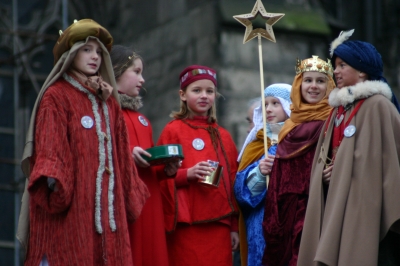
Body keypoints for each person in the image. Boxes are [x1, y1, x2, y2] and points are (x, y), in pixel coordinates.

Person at [17, 19, 149, 266]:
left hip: (108, 216)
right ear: (71, 53)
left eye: (99, 52)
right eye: (86, 49)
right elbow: (50, 145)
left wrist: (128, 195)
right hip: (71, 210)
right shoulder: (57, 95)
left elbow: (121, 154)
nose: (94, 57)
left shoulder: (109, 102)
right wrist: (55, 184)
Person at [298, 30, 400, 266]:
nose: (335, 71)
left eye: (342, 65)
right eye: (335, 65)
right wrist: (324, 174)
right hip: (336, 198)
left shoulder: (379, 107)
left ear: (362, 70)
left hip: (365, 207)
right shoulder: (337, 109)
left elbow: (385, 164)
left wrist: (346, 169)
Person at [157, 65, 239, 266]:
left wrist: (234, 227)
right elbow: (158, 177)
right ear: (182, 95)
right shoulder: (172, 131)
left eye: (209, 91)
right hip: (185, 227)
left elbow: (234, 182)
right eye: (197, 90)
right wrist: (188, 174)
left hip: (219, 226)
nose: (204, 96)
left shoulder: (224, 136)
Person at [262, 56, 336, 266]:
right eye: (308, 80)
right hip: (283, 209)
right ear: (298, 84)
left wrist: (332, 171)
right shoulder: (290, 123)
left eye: (320, 81)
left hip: (316, 206)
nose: (313, 86)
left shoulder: (334, 118)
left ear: (329, 85)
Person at [110, 45, 179, 266]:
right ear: (116, 71)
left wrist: (165, 169)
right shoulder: (104, 112)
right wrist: (126, 154)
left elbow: (148, 164)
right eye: (136, 72)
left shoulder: (143, 120)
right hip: (123, 199)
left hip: (150, 201)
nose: (142, 80)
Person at [234, 83, 292, 266]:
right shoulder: (256, 144)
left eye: (275, 103)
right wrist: (259, 172)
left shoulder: (301, 139)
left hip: (290, 222)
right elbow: (240, 192)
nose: (269, 109)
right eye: (265, 104)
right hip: (259, 226)